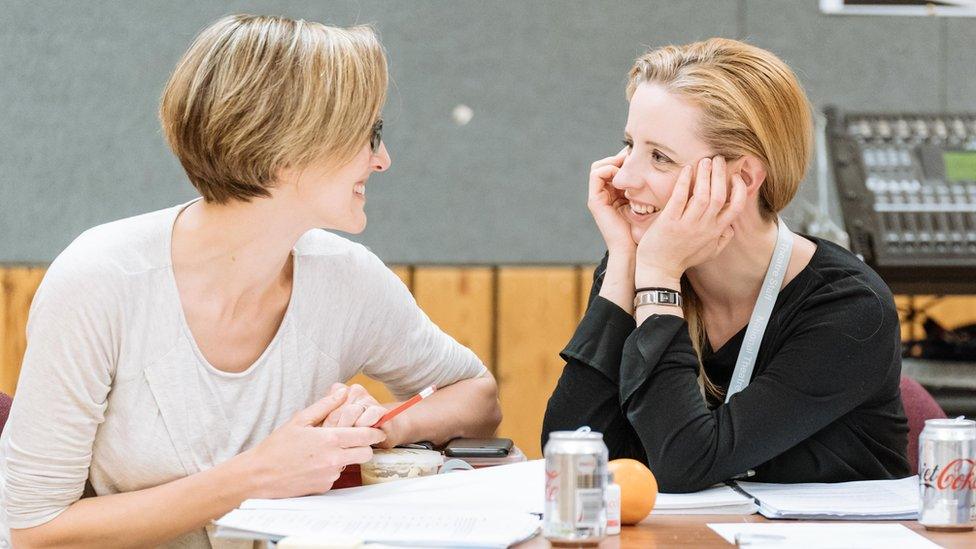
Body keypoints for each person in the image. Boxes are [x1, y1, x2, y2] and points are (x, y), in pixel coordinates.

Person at [1, 14, 500, 547]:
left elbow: (478, 398)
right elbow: (32, 531)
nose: (382, 160)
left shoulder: (346, 279)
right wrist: (255, 476)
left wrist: (380, 426)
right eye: (369, 135)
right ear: (288, 151)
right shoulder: (101, 280)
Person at [542, 38, 909, 493]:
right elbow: (571, 453)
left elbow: (686, 464)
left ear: (742, 179)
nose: (622, 177)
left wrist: (657, 278)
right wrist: (623, 264)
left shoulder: (851, 309)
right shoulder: (638, 266)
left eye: (659, 157)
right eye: (630, 145)